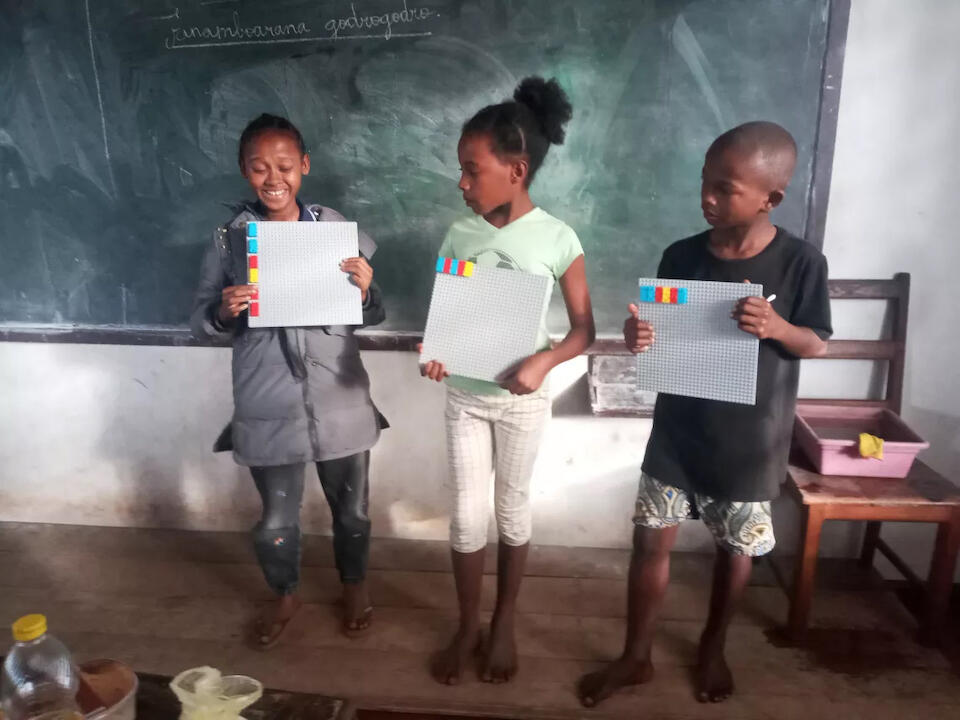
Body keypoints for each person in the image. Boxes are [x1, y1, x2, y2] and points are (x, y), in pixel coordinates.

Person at [578, 121, 832, 706]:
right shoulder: (682, 254)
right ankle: (635, 656)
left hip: (749, 439)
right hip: (678, 431)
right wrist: (641, 335)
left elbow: (818, 341)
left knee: (735, 551)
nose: (707, 199)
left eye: (725, 188)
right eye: (704, 184)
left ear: (772, 198)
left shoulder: (799, 263)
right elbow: (662, 332)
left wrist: (778, 327)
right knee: (649, 543)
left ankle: (712, 648)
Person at [420, 77, 596, 684]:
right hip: (466, 397)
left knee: (511, 512)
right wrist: (436, 352)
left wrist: (542, 362)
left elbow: (583, 331)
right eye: (461, 171)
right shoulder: (457, 235)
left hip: (522, 402)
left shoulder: (558, 239)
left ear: (516, 170)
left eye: (472, 171)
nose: (462, 184)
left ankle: (504, 622)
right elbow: (447, 322)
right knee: (467, 519)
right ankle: (467, 625)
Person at [191, 113, 388, 648]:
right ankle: (285, 593)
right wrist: (224, 313)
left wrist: (366, 292)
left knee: (353, 510)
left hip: (338, 394)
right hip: (266, 396)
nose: (272, 178)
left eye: (284, 166)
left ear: (304, 165)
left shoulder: (332, 228)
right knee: (275, 519)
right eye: (258, 168)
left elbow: (369, 314)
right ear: (242, 171)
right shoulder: (230, 242)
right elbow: (200, 322)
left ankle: (354, 584)